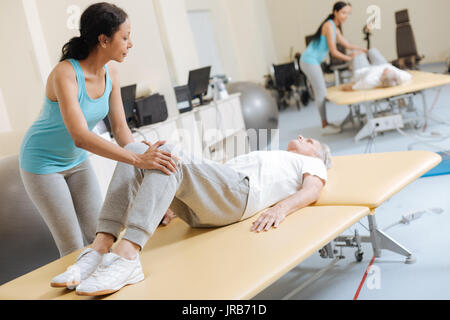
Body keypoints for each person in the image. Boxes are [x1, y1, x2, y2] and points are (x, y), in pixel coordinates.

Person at [50, 135, 332, 296]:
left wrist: (280, 209)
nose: (302, 137)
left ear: (316, 155)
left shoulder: (311, 163)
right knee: (136, 150)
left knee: (168, 153)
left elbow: (313, 190)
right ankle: (100, 248)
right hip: (213, 202)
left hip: (240, 195)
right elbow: (207, 181)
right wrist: (167, 204)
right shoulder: (275, 156)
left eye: (310, 141)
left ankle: (128, 255)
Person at [19, 2, 177, 258]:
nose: (130, 44)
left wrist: (149, 174)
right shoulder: (65, 73)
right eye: (125, 37)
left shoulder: (111, 72)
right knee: (72, 247)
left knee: (99, 236)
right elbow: (80, 136)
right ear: (104, 40)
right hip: (43, 163)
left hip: (77, 161)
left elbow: (121, 130)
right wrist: (138, 159)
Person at [300, 1, 368, 135]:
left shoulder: (335, 28)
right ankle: (324, 126)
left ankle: (325, 123)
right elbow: (334, 51)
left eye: (348, 13)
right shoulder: (329, 26)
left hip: (312, 61)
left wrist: (363, 50)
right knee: (321, 93)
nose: (346, 16)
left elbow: (347, 45)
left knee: (321, 92)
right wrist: (350, 58)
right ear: (335, 12)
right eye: (343, 13)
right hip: (308, 61)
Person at [342, 48, 413, 91]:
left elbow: (350, 88)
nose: (388, 69)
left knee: (358, 52)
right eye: (391, 70)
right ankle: (368, 51)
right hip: (382, 64)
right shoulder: (402, 76)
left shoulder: (371, 80)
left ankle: (360, 52)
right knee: (372, 50)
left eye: (386, 71)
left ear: (382, 76)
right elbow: (410, 76)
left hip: (364, 69)